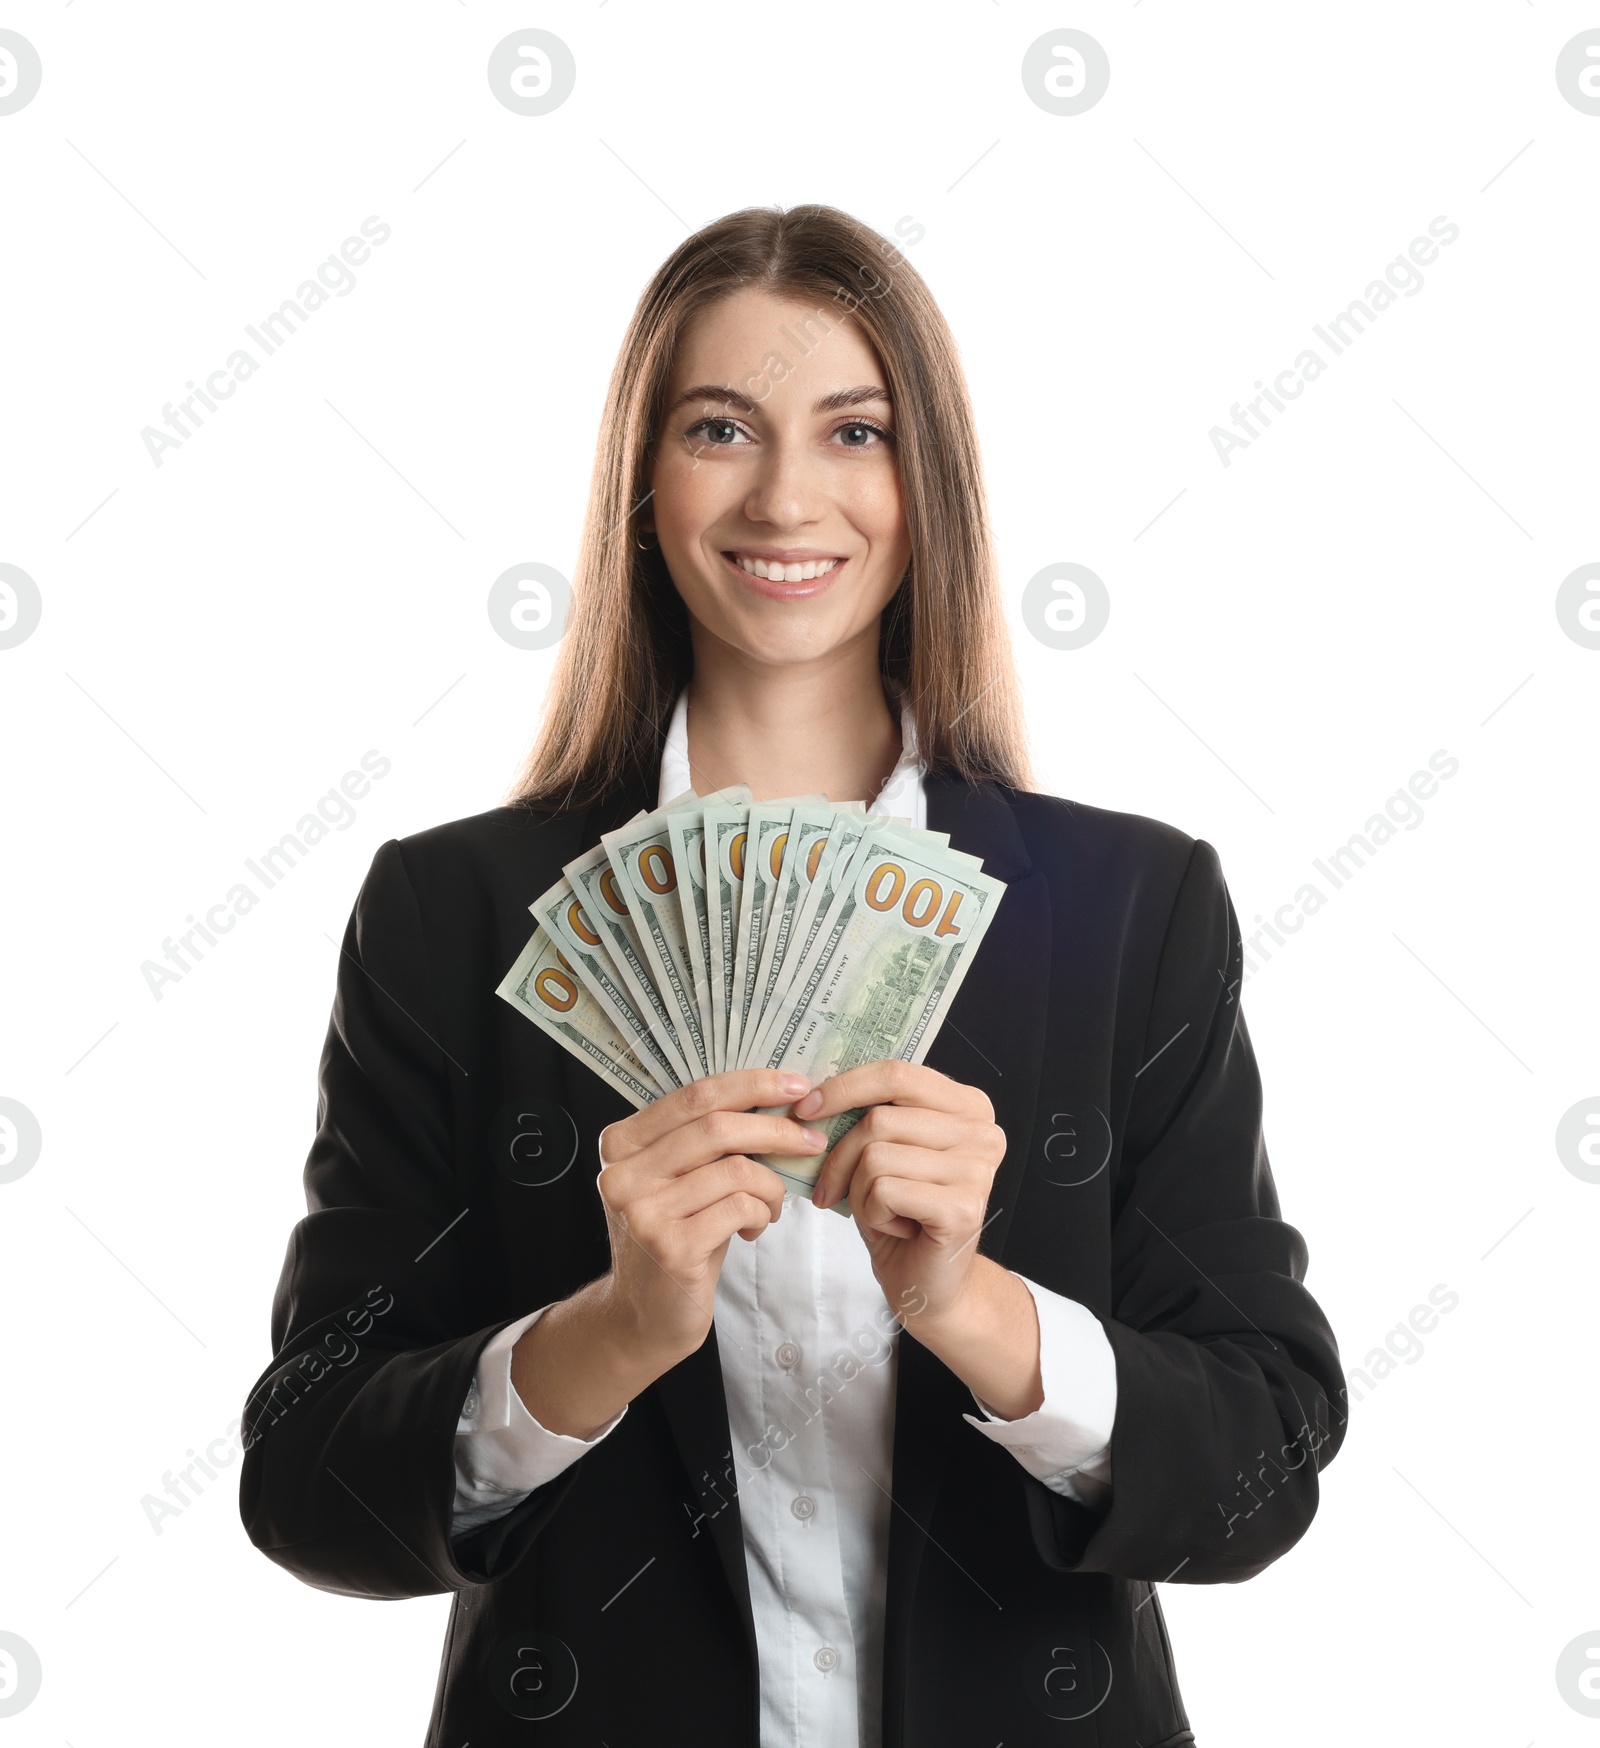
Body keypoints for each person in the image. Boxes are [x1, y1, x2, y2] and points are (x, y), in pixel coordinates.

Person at [239, 204, 1345, 1747]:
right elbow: (307, 1486)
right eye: (719, 428)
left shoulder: (1133, 905)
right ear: (642, 480)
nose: (786, 495)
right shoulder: (457, 911)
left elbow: (1266, 1468)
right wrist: (609, 1333)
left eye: (854, 431)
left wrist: (977, 1312)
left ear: (928, 484)